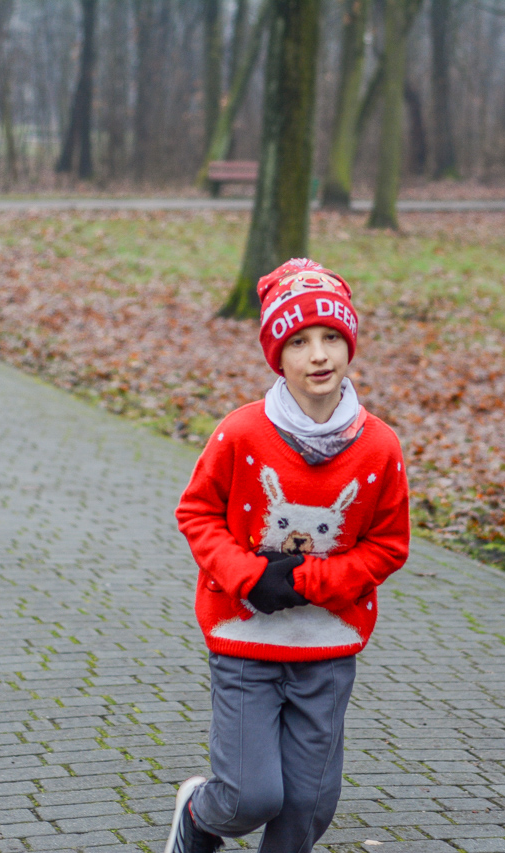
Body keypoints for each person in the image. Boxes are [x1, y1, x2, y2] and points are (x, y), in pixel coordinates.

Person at [169, 258, 411, 853]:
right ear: (278, 355)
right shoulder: (241, 433)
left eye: (332, 337)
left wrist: (312, 579)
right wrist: (249, 577)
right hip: (245, 642)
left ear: (350, 344)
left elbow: (389, 544)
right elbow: (195, 513)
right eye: (299, 341)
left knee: (307, 807)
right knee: (251, 797)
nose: (319, 354)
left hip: (327, 650)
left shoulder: (379, 446)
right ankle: (198, 817)